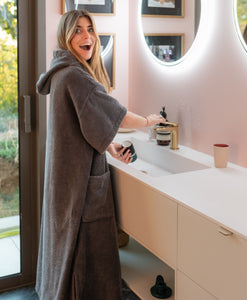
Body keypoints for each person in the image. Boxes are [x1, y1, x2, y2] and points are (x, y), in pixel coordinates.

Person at [35, 9, 165, 300]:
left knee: (66, 243)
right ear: (65, 37)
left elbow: (83, 123)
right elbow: (116, 116)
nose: (87, 37)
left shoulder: (61, 73)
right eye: (78, 30)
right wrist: (148, 121)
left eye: (90, 29)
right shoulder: (76, 76)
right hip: (80, 182)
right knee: (83, 249)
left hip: (64, 178)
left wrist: (110, 146)